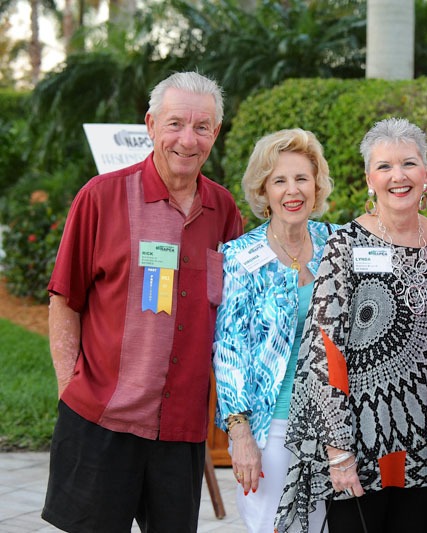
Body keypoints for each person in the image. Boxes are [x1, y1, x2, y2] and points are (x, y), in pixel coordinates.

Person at [42, 72, 243, 532]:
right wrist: (69, 387)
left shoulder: (224, 210)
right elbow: (65, 299)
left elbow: (232, 316)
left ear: (215, 133)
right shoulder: (101, 197)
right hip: (101, 419)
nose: (187, 140)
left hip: (181, 428)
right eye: (175, 124)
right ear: (151, 125)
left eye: (202, 127)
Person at [275, 118, 427, 533]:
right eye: (384, 166)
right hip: (358, 445)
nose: (398, 176)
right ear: (369, 179)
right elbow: (324, 350)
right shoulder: (347, 244)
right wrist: (337, 449)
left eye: (408, 163)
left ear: (426, 173)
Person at [213, 128, 339, 532]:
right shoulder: (240, 256)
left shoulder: (336, 244)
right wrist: (240, 435)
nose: (292, 190)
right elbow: (229, 350)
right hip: (270, 430)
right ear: (263, 191)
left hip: (332, 427)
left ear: (316, 186)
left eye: (302, 178)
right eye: (279, 181)